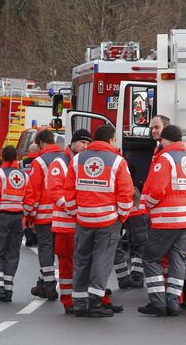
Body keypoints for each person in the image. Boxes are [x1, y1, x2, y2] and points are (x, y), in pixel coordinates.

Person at [64, 125, 134, 317]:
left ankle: (79, 303)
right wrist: (123, 216)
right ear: (111, 140)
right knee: (102, 261)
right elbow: (126, 192)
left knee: (82, 260)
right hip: (108, 220)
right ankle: (95, 302)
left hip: (83, 218)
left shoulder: (77, 159)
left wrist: (74, 212)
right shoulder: (118, 161)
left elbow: (69, 189)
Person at [138, 125, 186, 317]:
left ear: (166, 140)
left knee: (150, 258)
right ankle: (173, 303)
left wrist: (146, 205)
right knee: (177, 260)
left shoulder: (165, 159)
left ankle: (158, 302)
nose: (160, 143)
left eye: (161, 140)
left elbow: (156, 190)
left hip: (167, 219)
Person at [48, 129, 91, 313]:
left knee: (83, 264)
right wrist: (73, 208)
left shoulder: (85, 162)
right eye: (82, 142)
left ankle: (82, 298)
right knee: (66, 265)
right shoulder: (60, 163)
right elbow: (54, 190)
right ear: (72, 143)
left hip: (82, 224)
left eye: (88, 144)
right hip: (65, 226)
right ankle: (68, 300)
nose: (85, 146)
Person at [0, 145, 28, 302]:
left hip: (1, 217)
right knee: (12, 253)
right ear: (16, 158)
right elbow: (28, 199)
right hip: (17, 218)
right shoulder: (23, 175)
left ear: (3, 158)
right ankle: (7, 290)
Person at [23, 129, 63, 300]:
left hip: (45, 214)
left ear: (40, 143)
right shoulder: (65, 158)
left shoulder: (39, 162)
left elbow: (33, 189)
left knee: (45, 249)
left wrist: (28, 214)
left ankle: (49, 286)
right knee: (60, 250)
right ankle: (42, 283)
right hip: (63, 214)